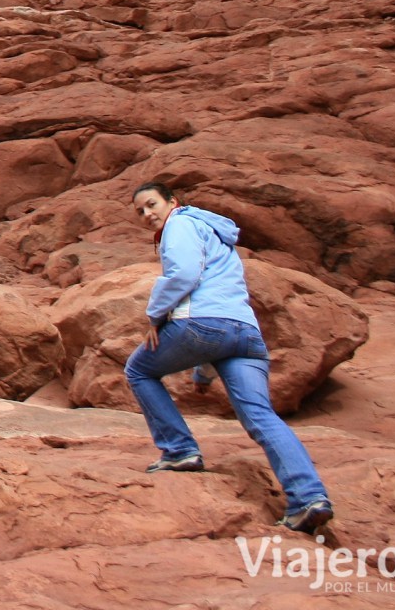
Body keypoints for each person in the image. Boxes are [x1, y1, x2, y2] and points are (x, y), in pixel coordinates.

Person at [125, 181, 335, 535]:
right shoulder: (215, 233)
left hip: (203, 325)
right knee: (262, 417)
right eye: (140, 212)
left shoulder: (180, 223)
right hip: (245, 334)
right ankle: (309, 498)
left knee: (139, 370)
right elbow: (220, 322)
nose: (147, 215)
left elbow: (184, 275)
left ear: (172, 202)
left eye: (151, 205)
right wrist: (204, 375)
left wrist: (155, 315)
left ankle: (179, 450)